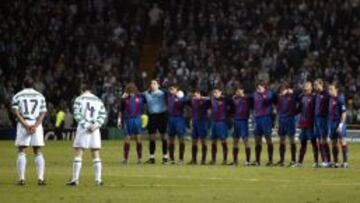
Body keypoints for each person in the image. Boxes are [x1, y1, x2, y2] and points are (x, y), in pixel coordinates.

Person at [67, 82, 107, 186]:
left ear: (82, 90)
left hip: (83, 129)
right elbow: (103, 115)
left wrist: (86, 125)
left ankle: (75, 179)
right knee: (96, 154)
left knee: (79, 153)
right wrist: (95, 125)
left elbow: (77, 114)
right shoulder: (98, 100)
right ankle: (98, 180)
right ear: (91, 90)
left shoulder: (79, 99)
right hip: (95, 129)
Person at [11, 78, 47, 186]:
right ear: (33, 85)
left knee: (21, 150)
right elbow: (43, 113)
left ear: (23, 85)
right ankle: (40, 178)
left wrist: (25, 124)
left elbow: (15, 112)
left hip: (23, 124)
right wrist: (35, 125)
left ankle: (21, 178)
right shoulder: (40, 96)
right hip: (36, 124)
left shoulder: (17, 96)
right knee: (37, 151)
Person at [118, 83, 146, 164]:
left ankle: (138, 159)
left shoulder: (140, 97)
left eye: (132, 89)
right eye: (130, 89)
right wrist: (119, 120)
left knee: (137, 138)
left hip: (136, 119)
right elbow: (120, 110)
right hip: (128, 119)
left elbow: (147, 102)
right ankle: (127, 159)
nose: (131, 90)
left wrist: (145, 115)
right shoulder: (124, 99)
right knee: (129, 138)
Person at [143, 80, 168, 164]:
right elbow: (137, 95)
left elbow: (171, 94)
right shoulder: (146, 93)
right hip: (152, 116)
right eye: (151, 83)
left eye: (154, 83)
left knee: (163, 136)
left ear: (158, 85)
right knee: (152, 137)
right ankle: (152, 158)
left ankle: (165, 157)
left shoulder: (163, 93)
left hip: (162, 115)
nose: (152, 85)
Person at [295, 82, 319, 168]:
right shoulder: (301, 97)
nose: (305, 90)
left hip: (311, 124)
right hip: (303, 123)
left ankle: (316, 162)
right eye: (304, 88)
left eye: (307, 88)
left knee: (313, 143)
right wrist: (292, 112)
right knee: (303, 143)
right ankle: (300, 162)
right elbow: (299, 109)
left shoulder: (315, 97)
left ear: (311, 88)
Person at [252, 80, 276, 166]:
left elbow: (268, 100)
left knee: (268, 138)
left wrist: (262, 93)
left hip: (266, 118)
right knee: (257, 140)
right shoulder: (255, 94)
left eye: (259, 87)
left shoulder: (269, 93)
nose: (258, 89)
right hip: (257, 118)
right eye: (257, 87)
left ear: (264, 86)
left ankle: (270, 160)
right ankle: (257, 161)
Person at [275, 82, 297, 167]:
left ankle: (293, 160)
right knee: (282, 140)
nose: (281, 91)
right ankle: (282, 161)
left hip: (290, 119)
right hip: (282, 120)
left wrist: (292, 92)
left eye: (283, 89)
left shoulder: (292, 96)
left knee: (292, 139)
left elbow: (298, 97)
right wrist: (276, 123)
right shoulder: (279, 98)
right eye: (281, 90)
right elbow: (278, 111)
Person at [328, 82, 348, 168]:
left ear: (336, 89)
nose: (329, 91)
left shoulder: (340, 98)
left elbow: (344, 113)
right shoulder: (331, 99)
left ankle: (345, 162)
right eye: (329, 89)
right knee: (334, 143)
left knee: (342, 141)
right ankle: (336, 162)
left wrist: (340, 125)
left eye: (331, 89)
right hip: (332, 123)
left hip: (339, 123)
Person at [230, 86, 252, 166]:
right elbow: (231, 108)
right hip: (236, 121)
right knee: (235, 141)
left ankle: (248, 161)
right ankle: (235, 161)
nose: (238, 92)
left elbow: (252, 97)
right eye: (237, 90)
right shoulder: (234, 98)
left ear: (243, 91)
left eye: (240, 90)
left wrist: (243, 96)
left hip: (244, 121)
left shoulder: (247, 98)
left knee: (245, 140)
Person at [187, 89, 209, 165]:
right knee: (194, 141)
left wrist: (203, 97)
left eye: (196, 94)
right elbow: (187, 100)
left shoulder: (204, 101)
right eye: (194, 95)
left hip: (202, 123)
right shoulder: (193, 101)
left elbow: (210, 98)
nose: (195, 96)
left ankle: (203, 160)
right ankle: (194, 160)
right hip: (195, 122)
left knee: (203, 141)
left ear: (200, 95)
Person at [166, 84, 187, 164]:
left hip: (179, 119)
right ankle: (172, 159)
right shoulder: (169, 98)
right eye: (170, 88)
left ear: (176, 90)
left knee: (181, 139)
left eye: (173, 88)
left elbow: (185, 102)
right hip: (170, 119)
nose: (171, 90)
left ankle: (181, 159)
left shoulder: (180, 97)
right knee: (171, 139)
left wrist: (180, 97)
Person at [208, 87, 229, 165]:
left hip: (221, 123)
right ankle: (213, 160)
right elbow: (206, 99)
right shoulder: (212, 99)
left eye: (216, 92)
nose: (215, 94)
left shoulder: (224, 99)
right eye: (214, 92)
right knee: (213, 141)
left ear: (220, 92)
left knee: (223, 140)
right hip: (214, 122)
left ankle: (225, 160)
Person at [313, 79, 331, 167]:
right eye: (314, 85)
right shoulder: (316, 95)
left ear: (321, 84)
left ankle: (328, 160)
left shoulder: (327, 94)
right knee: (319, 140)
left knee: (324, 140)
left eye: (316, 85)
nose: (315, 87)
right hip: (317, 119)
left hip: (324, 119)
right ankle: (324, 160)